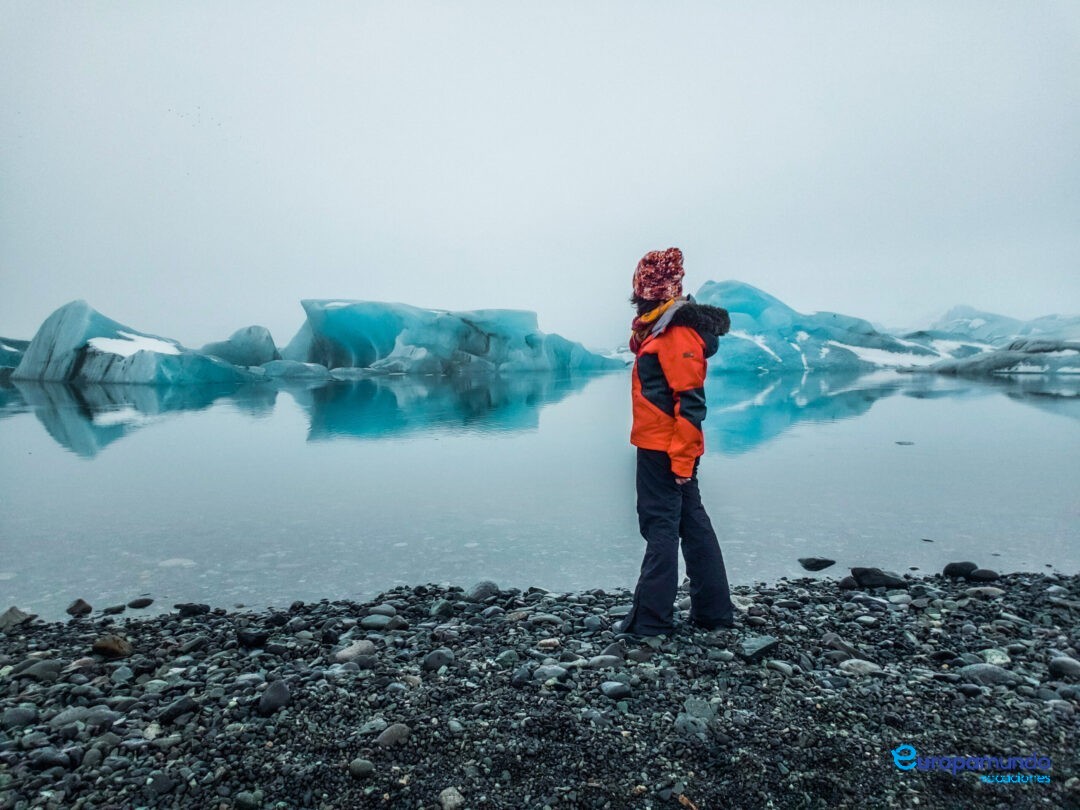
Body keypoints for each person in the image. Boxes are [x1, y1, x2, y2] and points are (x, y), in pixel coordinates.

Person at [616, 247, 736, 636]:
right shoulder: (662, 328)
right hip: (664, 444)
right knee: (689, 521)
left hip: (664, 448)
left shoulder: (676, 332)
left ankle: (650, 620)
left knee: (661, 525)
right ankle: (712, 613)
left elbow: (691, 400)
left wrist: (682, 461)